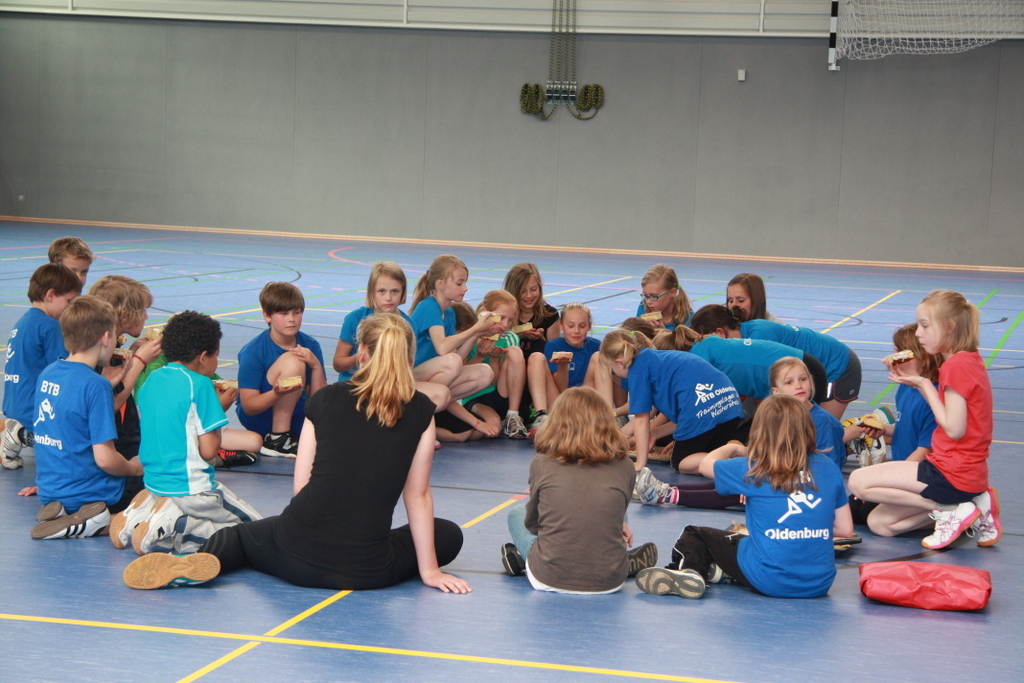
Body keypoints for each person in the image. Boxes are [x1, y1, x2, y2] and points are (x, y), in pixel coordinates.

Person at [122, 314, 470, 594]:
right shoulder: (421, 411)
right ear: (408, 357)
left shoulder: (325, 399)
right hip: (368, 569)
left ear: (362, 352)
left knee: (239, 536)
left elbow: (302, 486)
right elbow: (417, 495)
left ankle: (195, 562)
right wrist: (430, 571)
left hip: (293, 555)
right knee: (448, 534)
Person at [635, 393, 853, 600]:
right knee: (749, 541)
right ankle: (721, 572)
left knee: (696, 536)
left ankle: (689, 572)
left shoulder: (754, 468)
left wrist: (731, 448)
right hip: (819, 583)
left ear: (761, 431)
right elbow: (844, 530)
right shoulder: (828, 467)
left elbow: (705, 465)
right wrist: (803, 528)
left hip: (769, 580)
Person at [848, 290, 999, 549]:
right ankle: (971, 506)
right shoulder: (970, 360)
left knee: (857, 482)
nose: (919, 333)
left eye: (925, 325)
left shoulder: (955, 366)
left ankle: (948, 510)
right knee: (879, 524)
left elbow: (954, 429)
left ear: (949, 327)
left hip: (951, 471)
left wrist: (925, 385)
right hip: (965, 473)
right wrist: (918, 382)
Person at [115, 311, 262, 554]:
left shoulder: (152, 379)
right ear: (203, 357)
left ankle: (137, 516)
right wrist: (218, 409)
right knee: (253, 529)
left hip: (154, 481)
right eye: (216, 355)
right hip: (193, 488)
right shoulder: (201, 385)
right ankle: (175, 526)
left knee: (228, 526)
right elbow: (209, 450)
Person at [500, 387, 658, 593]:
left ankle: (525, 558)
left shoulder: (542, 462)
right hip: (611, 581)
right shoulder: (624, 464)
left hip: (548, 577)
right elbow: (617, 512)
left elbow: (533, 523)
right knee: (612, 503)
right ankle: (617, 559)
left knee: (517, 513)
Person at [29, 296, 144, 540]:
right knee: (156, 486)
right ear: (105, 337)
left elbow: (73, 409)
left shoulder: (49, 373)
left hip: (52, 491)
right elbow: (105, 460)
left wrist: (107, 385)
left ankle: (66, 513)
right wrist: (133, 468)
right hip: (94, 493)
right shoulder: (95, 385)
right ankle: (98, 522)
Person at [600, 329, 746, 473]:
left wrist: (640, 463)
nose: (615, 373)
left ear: (618, 361)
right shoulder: (655, 359)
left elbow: (641, 421)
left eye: (613, 369)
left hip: (704, 411)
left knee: (681, 462)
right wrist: (656, 433)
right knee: (709, 453)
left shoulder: (637, 370)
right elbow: (683, 417)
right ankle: (736, 454)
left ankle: (739, 461)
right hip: (729, 405)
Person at [691, 304, 860, 420]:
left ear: (720, 334)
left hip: (837, 366)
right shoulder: (749, 332)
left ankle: (862, 436)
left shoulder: (758, 335)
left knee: (819, 430)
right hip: (812, 368)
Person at [2, 264, 81, 470]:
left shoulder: (24, 322)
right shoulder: (50, 326)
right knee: (76, 441)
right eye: (69, 301)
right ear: (51, 295)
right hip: (33, 411)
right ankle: (22, 435)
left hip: (15, 405)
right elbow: (64, 371)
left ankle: (17, 432)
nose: (70, 308)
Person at [236, 281, 327, 457]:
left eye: (296, 312)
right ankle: (278, 437)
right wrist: (276, 393)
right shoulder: (253, 351)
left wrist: (315, 366)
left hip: (296, 413)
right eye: (284, 313)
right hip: (261, 416)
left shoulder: (311, 345)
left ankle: (288, 435)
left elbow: (319, 401)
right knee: (294, 359)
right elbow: (249, 407)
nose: (291, 319)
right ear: (267, 316)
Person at [88, 275, 164, 458]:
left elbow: (114, 381)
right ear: (125, 315)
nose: (146, 316)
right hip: (118, 448)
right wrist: (140, 360)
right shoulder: (99, 352)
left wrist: (131, 352)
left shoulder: (110, 345)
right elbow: (111, 403)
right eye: (143, 311)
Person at [409, 255, 497, 403]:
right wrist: (475, 328)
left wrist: (476, 334)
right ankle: (419, 404)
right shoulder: (429, 306)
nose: (465, 288)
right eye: (459, 283)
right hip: (411, 374)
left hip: (431, 374)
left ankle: (437, 402)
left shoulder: (449, 313)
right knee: (452, 361)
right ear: (441, 284)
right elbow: (442, 347)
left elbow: (457, 357)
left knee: (485, 373)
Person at [459, 290, 529, 439]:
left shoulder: (509, 338)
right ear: (485, 313)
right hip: (474, 395)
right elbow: (460, 376)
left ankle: (513, 415)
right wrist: (480, 355)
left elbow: (496, 382)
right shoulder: (470, 336)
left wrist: (494, 360)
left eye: (510, 320)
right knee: (492, 427)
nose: (505, 325)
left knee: (515, 351)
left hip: (500, 392)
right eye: (501, 318)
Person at [525, 303, 602, 439]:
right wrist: (562, 367)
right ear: (560, 325)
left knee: (599, 357)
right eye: (570, 326)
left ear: (589, 326)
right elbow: (560, 391)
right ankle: (541, 415)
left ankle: (604, 418)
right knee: (536, 357)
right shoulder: (554, 345)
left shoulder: (596, 346)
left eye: (582, 326)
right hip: (558, 403)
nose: (576, 331)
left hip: (583, 404)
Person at [502, 262, 561, 360]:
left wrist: (541, 339)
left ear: (540, 288)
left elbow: (555, 356)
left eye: (533, 289)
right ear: (513, 291)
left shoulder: (550, 315)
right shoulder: (504, 315)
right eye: (523, 291)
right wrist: (512, 336)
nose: (529, 295)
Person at [635, 264, 693, 330]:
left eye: (654, 296)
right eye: (645, 295)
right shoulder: (643, 306)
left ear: (672, 292)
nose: (648, 301)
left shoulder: (689, 320)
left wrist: (663, 333)